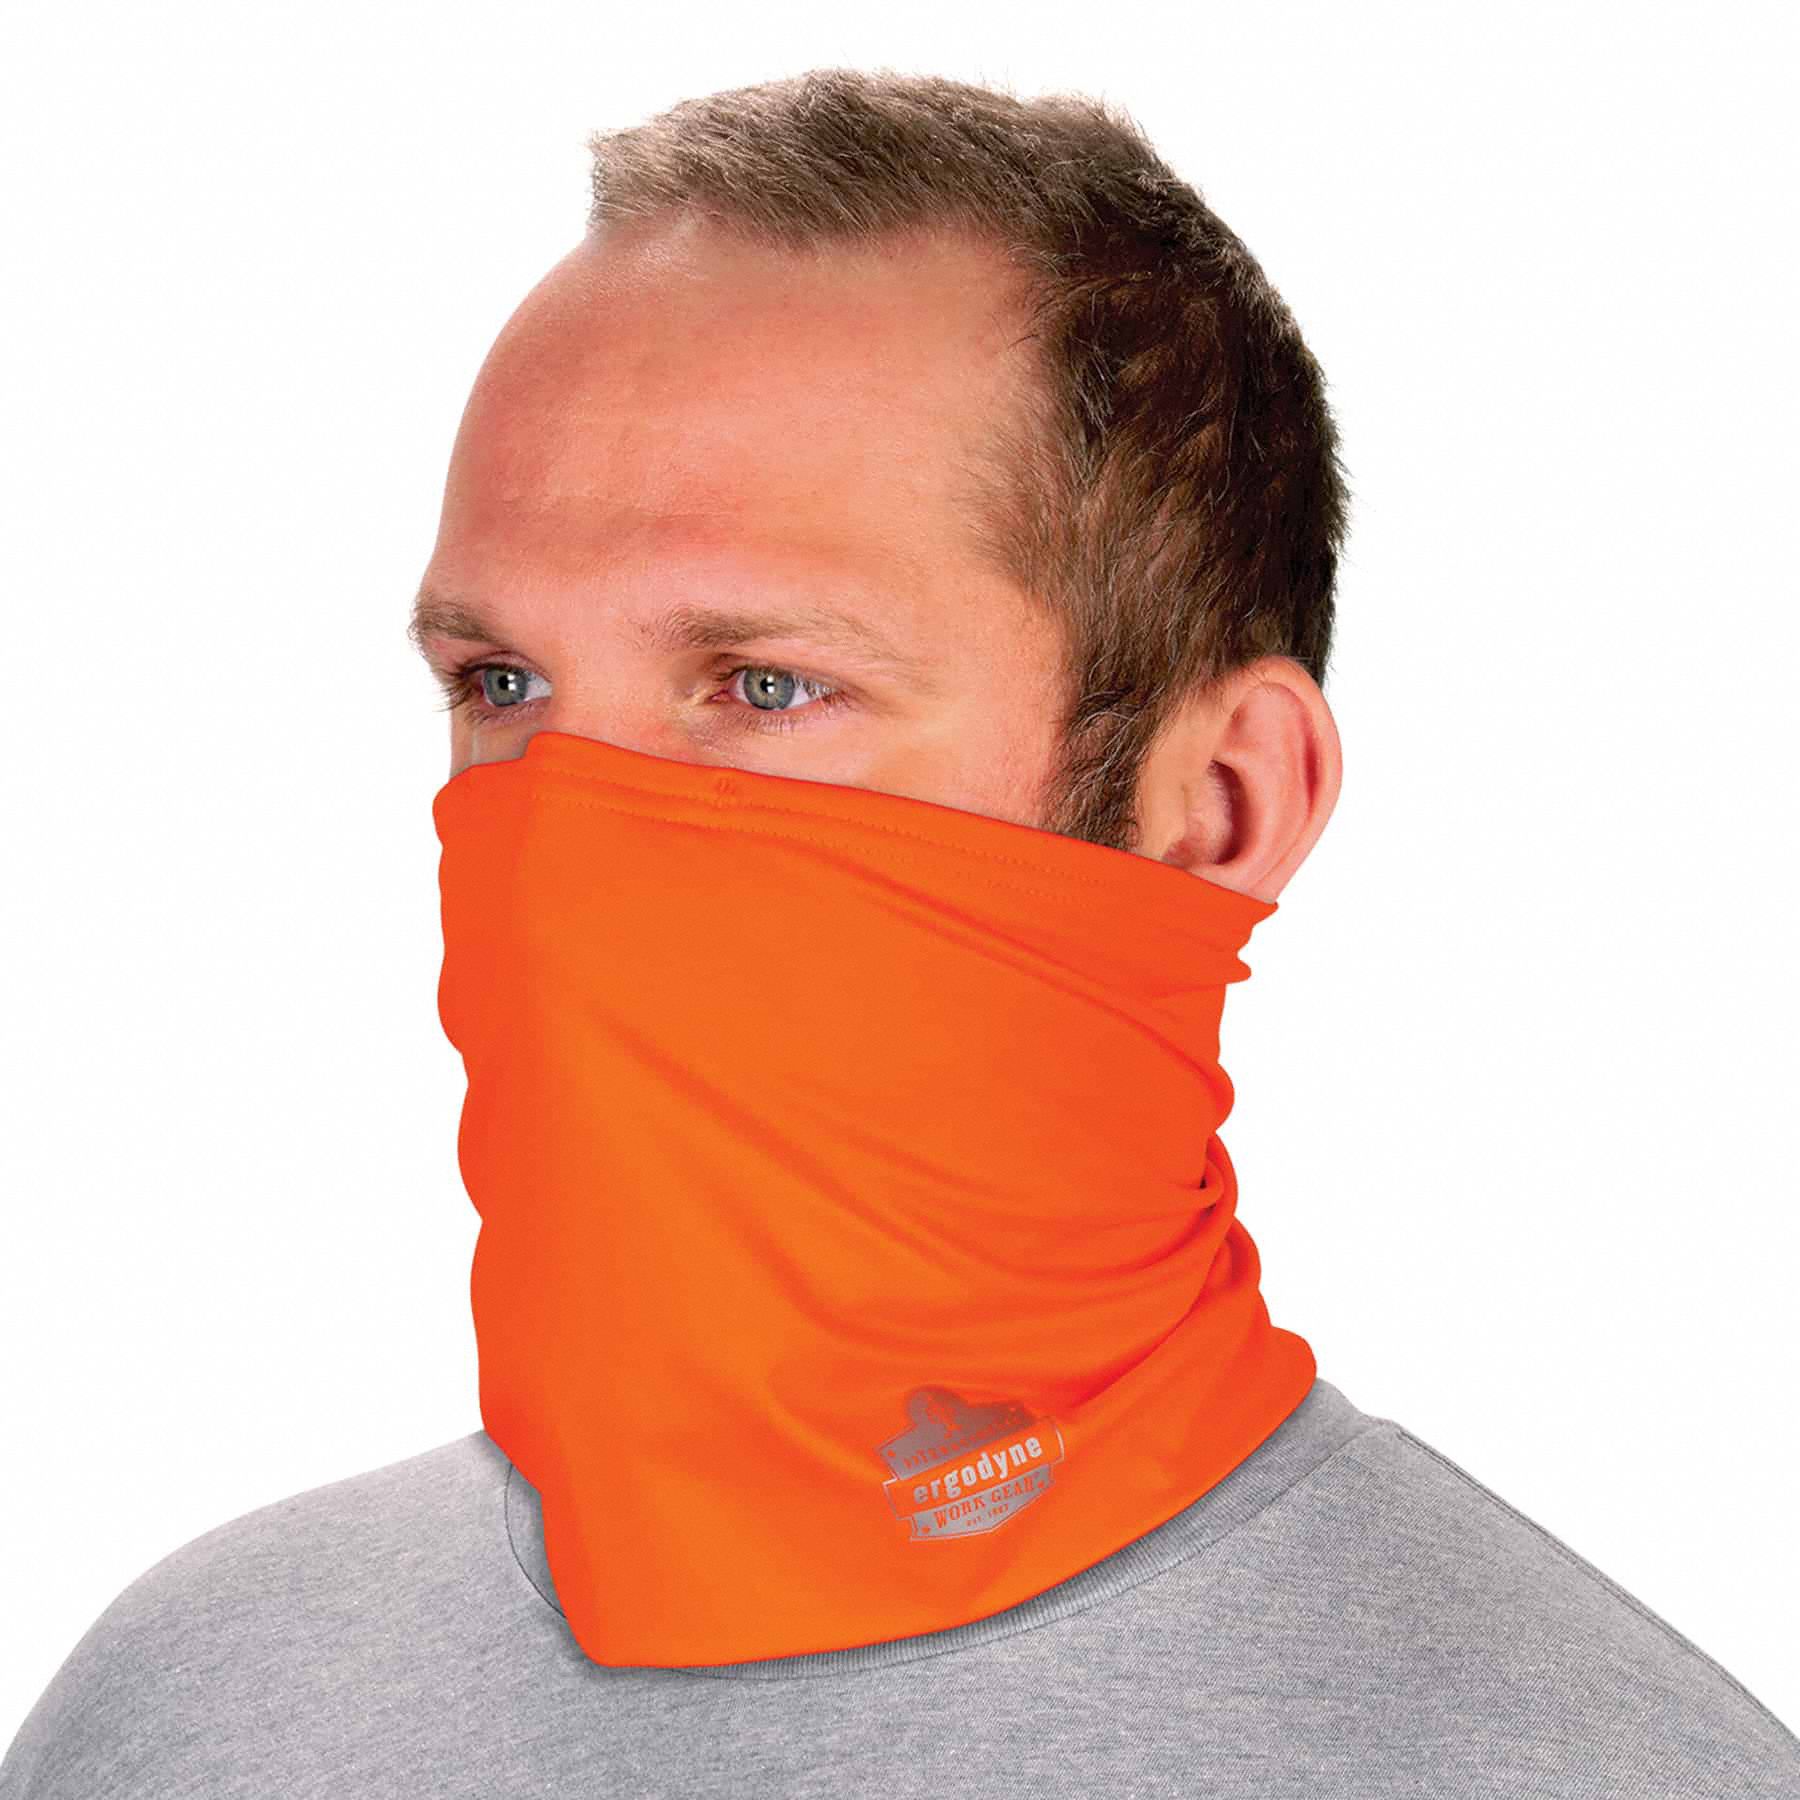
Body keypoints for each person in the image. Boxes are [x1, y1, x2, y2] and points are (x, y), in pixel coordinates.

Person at [3, 67, 1795, 1800]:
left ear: (1223, 803)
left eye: (766, 684)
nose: (560, 837)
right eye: (503, 683)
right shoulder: (196, 1709)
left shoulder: (1587, 1769)